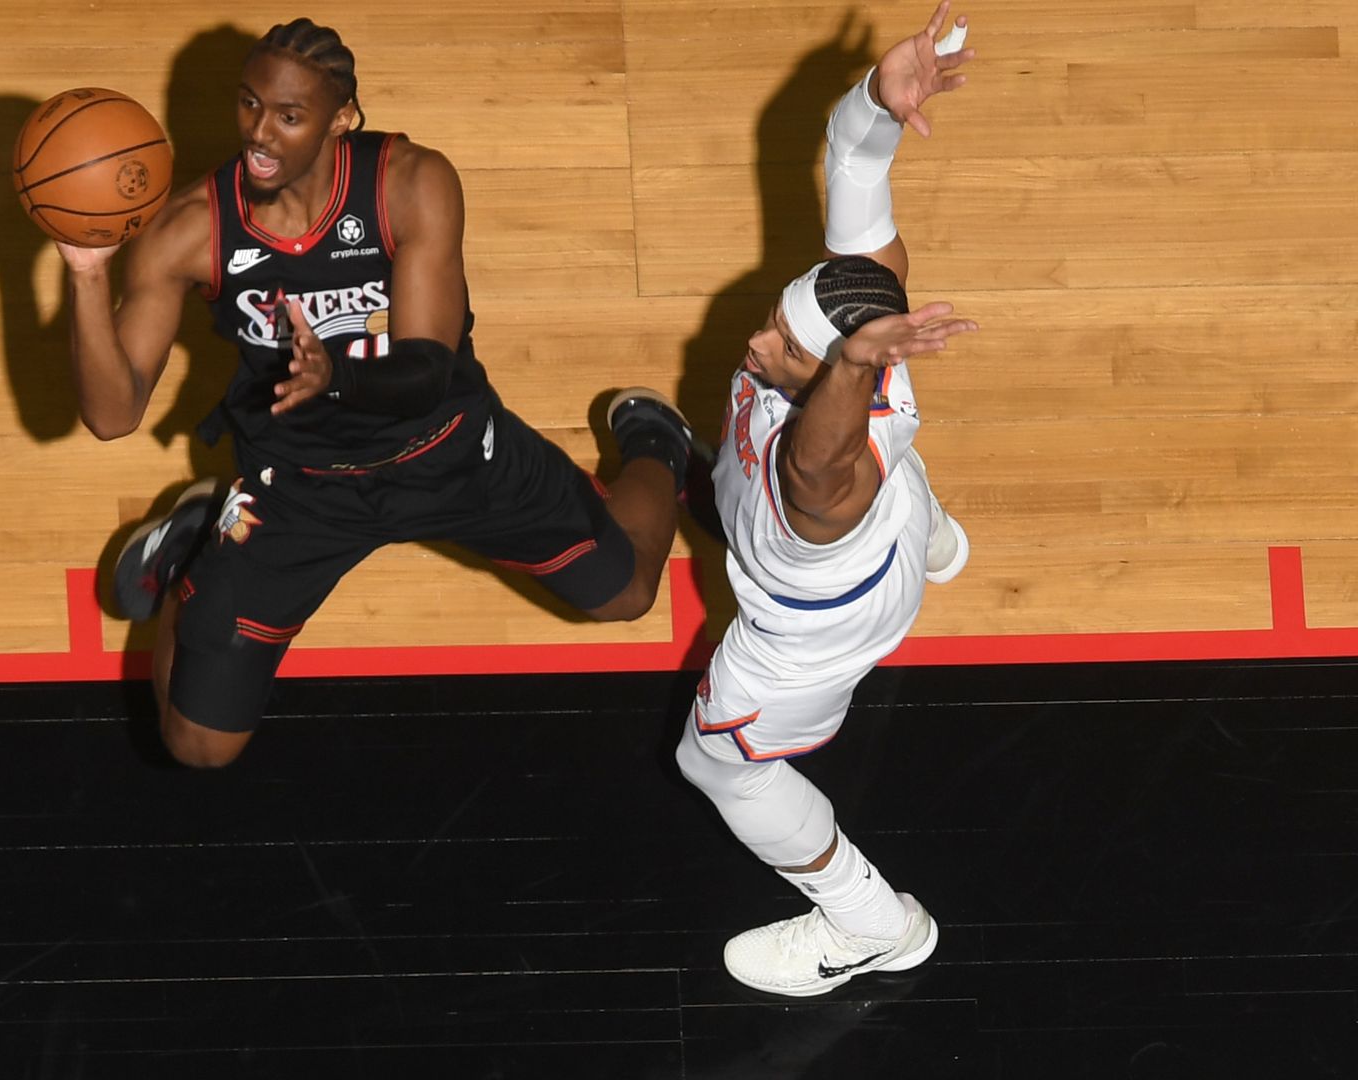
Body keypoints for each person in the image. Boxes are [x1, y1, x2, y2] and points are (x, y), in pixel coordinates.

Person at [60, 18, 695, 769]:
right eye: (249, 105)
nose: (261, 133)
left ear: (341, 120)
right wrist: (88, 272)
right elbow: (111, 415)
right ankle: (199, 547)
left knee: (626, 595)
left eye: (289, 116)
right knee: (198, 747)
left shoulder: (411, 184)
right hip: (298, 487)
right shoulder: (189, 232)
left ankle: (657, 439)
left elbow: (430, 365)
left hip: (447, 449)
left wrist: (338, 378)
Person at [672, 3, 979, 997]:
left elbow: (815, 459)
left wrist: (837, 370)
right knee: (911, 488)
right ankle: (935, 542)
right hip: (889, 531)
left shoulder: (821, 486)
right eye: (773, 320)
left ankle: (873, 924)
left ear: (841, 373)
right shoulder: (871, 293)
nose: (759, 343)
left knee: (718, 764)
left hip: (809, 624)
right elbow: (854, 168)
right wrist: (876, 101)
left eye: (783, 351)